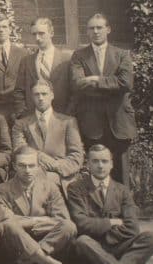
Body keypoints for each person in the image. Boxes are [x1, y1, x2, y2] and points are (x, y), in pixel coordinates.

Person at [67, 145, 153, 264]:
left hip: (118, 246)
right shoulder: (76, 188)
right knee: (82, 241)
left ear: (111, 164)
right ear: (88, 164)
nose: (100, 165)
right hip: (92, 248)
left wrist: (105, 233)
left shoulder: (122, 190)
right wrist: (112, 222)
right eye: (95, 161)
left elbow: (132, 227)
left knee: (152, 238)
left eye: (104, 161)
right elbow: (81, 224)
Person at [0, 146, 78, 264]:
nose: (27, 170)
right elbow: (6, 220)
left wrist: (25, 222)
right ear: (14, 166)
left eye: (32, 166)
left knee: (69, 226)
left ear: (38, 166)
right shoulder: (2, 189)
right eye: (22, 166)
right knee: (8, 226)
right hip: (17, 244)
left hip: (48, 241)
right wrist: (38, 220)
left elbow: (62, 220)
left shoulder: (50, 187)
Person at [70, 14, 136, 185]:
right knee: (96, 169)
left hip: (118, 121)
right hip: (92, 122)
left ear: (108, 29)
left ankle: (123, 207)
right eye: (92, 28)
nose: (96, 31)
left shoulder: (122, 54)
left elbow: (126, 83)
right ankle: (99, 207)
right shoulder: (79, 56)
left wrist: (96, 80)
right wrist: (111, 87)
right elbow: (77, 84)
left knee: (121, 171)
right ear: (87, 31)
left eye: (99, 27)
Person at [12, 81, 83, 194]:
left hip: (62, 177)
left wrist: (54, 165)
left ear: (52, 95)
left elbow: (76, 157)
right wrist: (41, 160)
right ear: (32, 97)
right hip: (31, 176)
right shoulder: (21, 124)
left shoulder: (68, 122)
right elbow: (20, 152)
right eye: (36, 94)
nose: (40, 98)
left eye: (44, 94)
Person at [13, 17, 73, 118]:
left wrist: (68, 114)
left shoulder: (66, 59)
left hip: (61, 117)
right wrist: (23, 114)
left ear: (51, 33)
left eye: (41, 33)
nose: (37, 38)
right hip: (33, 118)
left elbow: (74, 91)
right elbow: (19, 91)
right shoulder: (26, 61)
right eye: (34, 34)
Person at [0, 14, 28, 125]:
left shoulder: (22, 53)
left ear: (10, 29)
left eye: (4, 27)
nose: (1, 30)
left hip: (16, 106)